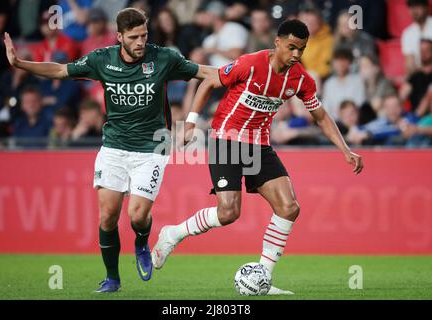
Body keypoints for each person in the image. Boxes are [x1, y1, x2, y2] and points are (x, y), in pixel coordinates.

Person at [4, 7, 215, 292]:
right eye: (134, 36)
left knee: (137, 216)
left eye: (144, 35)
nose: (141, 41)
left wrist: (246, 71)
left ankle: (142, 242)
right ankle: (112, 278)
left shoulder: (163, 57)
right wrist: (20, 63)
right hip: (114, 147)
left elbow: (205, 72)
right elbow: (60, 70)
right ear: (119, 37)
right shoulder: (102, 60)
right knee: (107, 217)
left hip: (151, 147)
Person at [152, 19, 363, 295]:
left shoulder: (301, 78)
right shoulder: (250, 63)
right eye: (291, 47)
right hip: (226, 139)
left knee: (289, 207)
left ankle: (262, 277)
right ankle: (172, 234)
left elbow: (320, 115)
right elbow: (209, 82)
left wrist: (345, 149)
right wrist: (190, 123)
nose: (296, 55)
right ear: (277, 43)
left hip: (258, 146)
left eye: (302, 49)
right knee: (228, 213)